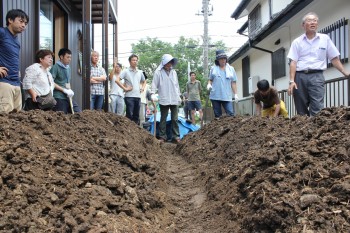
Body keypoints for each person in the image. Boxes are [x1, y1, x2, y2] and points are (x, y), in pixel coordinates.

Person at [287, 12, 350, 116]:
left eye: (315, 20)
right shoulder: (297, 42)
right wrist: (291, 81)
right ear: (303, 25)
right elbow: (293, 62)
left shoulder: (325, 39)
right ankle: (303, 130)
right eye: (309, 20)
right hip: (300, 77)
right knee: (301, 109)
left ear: (317, 24)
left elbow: (334, 58)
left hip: (317, 76)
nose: (313, 22)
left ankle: (314, 130)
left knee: (317, 108)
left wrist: (345, 72)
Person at [0, 9, 29, 113]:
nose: (23, 25)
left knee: (17, 119)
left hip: (16, 83)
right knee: (4, 117)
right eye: (21, 21)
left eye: (25, 23)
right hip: (4, 82)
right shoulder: (2, 32)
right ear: (10, 20)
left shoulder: (16, 41)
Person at [151, 54, 181, 143]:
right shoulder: (158, 72)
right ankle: (162, 136)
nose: (169, 64)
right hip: (164, 97)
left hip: (174, 97)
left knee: (175, 118)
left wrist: (179, 95)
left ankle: (176, 136)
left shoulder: (174, 72)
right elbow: (154, 84)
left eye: (171, 62)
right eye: (168, 62)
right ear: (164, 63)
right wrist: (153, 93)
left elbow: (176, 85)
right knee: (163, 118)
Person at [207, 50, 239, 118]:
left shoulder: (231, 69)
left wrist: (236, 94)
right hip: (215, 95)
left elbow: (233, 82)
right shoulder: (213, 69)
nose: (223, 60)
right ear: (218, 60)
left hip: (226, 95)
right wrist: (209, 84)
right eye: (221, 59)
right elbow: (210, 79)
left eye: (224, 58)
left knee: (230, 114)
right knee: (218, 115)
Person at [116, 54, 145, 124]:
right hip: (129, 96)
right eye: (133, 60)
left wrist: (142, 88)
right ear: (129, 61)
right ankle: (128, 132)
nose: (135, 61)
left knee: (136, 116)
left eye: (136, 60)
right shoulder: (126, 71)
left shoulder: (140, 72)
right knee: (130, 115)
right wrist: (125, 88)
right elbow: (117, 80)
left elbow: (144, 81)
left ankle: (135, 132)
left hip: (138, 96)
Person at [50, 48, 81, 114]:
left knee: (78, 112)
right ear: (61, 57)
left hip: (67, 96)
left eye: (70, 57)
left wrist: (69, 91)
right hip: (58, 96)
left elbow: (67, 82)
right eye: (67, 57)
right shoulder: (55, 67)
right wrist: (64, 90)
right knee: (62, 115)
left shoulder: (68, 68)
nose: (69, 59)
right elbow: (51, 82)